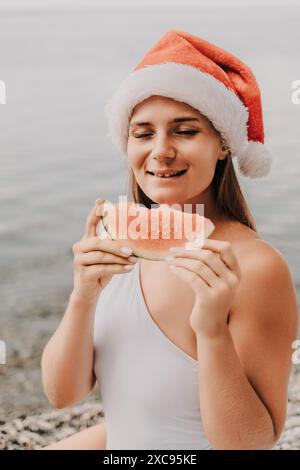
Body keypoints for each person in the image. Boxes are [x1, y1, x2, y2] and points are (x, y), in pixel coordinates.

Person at [40, 30, 298, 450]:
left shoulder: (257, 268)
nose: (160, 151)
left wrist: (211, 331)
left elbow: (249, 443)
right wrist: (82, 297)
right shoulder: (118, 240)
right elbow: (63, 394)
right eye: (143, 133)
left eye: (184, 131)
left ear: (222, 145)